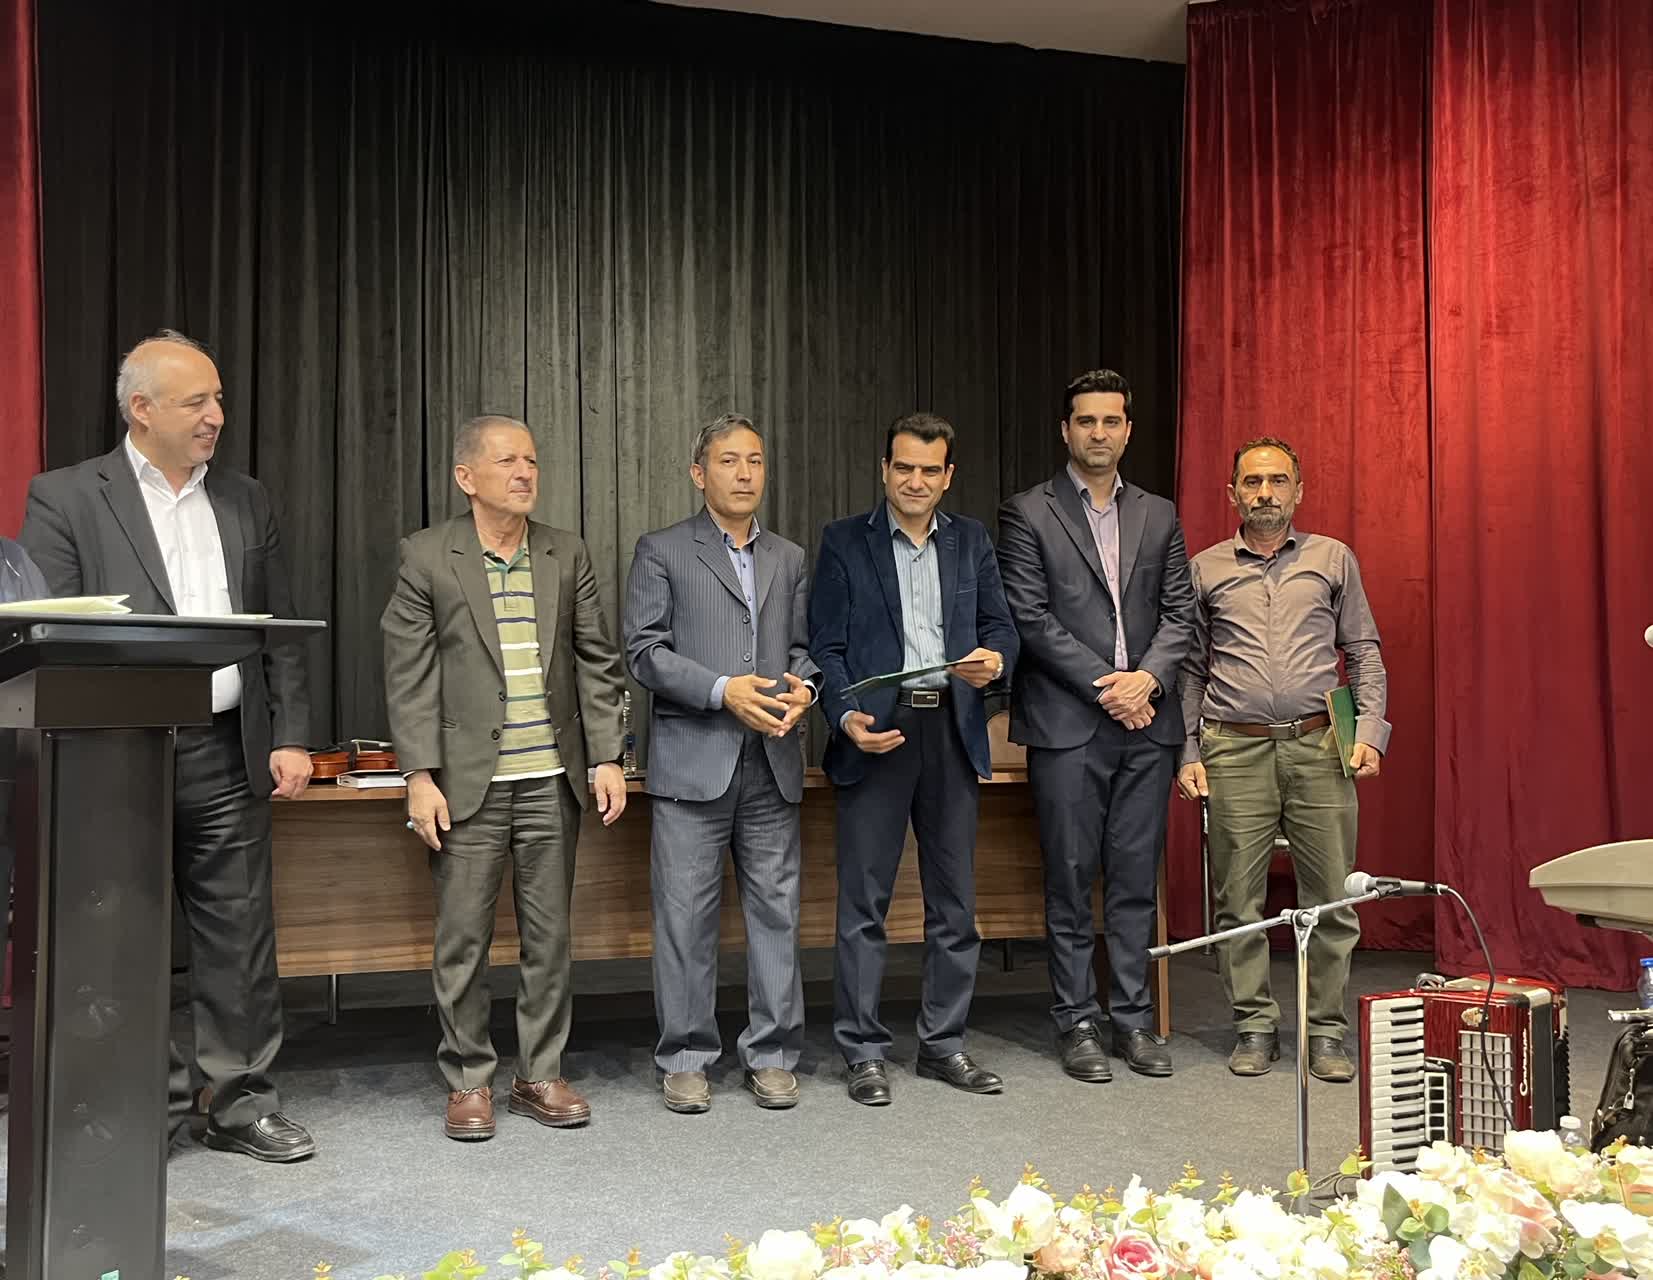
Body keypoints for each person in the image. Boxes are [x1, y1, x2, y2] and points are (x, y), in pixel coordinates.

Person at [20, 329, 316, 1161]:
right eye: (197, 401)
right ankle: (141, 1105)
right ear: (141, 409)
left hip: (228, 750)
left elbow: (278, 630)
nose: (216, 415)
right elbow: (49, 633)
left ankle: (240, 1104)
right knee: (122, 939)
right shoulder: (67, 497)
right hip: (116, 753)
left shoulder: (246, 499)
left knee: (239, 937)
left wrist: (291, 734)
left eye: (218, 399)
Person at [381, 413, 628, 1141]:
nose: (524, 473)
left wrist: (607, 755)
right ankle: (468, 1079)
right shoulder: (427, 555)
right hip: (468, 786)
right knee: (463, 940)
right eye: (506, 461)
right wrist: (419, 774)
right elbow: (408, 673)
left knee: (550, 941)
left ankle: (539, 1074)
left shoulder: (565, 552)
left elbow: (597, 659)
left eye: (531, 460)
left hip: (551, 779)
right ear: (467, 477)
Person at [808, 412, 1018, 1106]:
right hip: (878, 734)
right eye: (904, 467)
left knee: (954, 904)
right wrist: (845, 717)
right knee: (863, 905)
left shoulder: (971, 540)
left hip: (951, 732)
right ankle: (863, 1051)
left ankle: (943, 1044)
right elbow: (826, 646)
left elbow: (1000, 628)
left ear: (948, 476)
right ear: (884, 469)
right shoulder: (844, 540)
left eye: (930, 470)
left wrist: (996, 661)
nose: (916, 481)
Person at [996, 368, 1193, 1083]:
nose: (1098, 433)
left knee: (1135, 880)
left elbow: (1180, 613)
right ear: (1066, 430)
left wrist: (1148, 680)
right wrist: (1110, 687)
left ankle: (1133, 1021)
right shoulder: (1027, 512)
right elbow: (1030, 618)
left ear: (1128, 431)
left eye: (1111, 421)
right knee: (1071, 878)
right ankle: (1076, 1021)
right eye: (1086, 421)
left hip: (1148, 724)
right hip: (1068, 723)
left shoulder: (1160, 514)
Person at [622, 413, 820, 1114]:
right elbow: (643, 650)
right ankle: (685, 1056)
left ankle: (773, 1053)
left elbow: (803, 649)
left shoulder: (789, 557)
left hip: (772, 760)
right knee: (685, 918)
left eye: (755, 461)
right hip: (692, 764)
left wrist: (806, 689)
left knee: (777, 914)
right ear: (698, 473)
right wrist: (720, 690)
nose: (744, 473)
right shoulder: (662, 550)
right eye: (729, 461)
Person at [1176, 436, 1388, 1083]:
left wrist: (1370, 732)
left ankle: (1326, 1031)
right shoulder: (1205, 568)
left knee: (1331, 898)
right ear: (1231, 494)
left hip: (1320, 746)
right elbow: (1189, 669)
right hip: (1232, 748)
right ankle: (1254, 1025)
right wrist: (1186, 750)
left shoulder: (1333, 559)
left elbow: (1364, 649)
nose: (1264, 493)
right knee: (1236, 900)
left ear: (1298, 490)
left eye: (1276, 481)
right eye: (1252, 482)